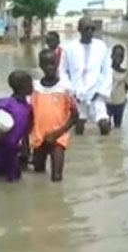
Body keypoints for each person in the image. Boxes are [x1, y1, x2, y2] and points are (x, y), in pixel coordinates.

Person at [59, 16, 112, 135]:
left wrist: (100, 92)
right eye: (86, 29)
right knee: (79, 125)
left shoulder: (101, 46)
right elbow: (63, 72)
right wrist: (71, 92)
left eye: (92, 29)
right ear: (79, 29)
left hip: (96, 92)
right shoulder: (69, 48)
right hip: (77, 93)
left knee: (104, 124)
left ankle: (106, 151)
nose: (90, 32)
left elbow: (107, 71)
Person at [31, 49, 77, 182]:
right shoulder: (35, 88)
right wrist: (25, 143)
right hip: (38, 138)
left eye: (52, 63)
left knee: (56, 177)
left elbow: (74, 117)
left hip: (58, 138)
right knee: (38, 174)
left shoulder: (65, 88)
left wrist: (56, 134)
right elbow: (30, 114)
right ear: (40, 65)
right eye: (46, 64)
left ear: (57, 63)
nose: (49, 67)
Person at [0, 71, 33, 182]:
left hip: (13, 151)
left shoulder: (27, 107)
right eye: (30, 84)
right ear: (23, 86)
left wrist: (25, 147)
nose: (32, 86)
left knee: (15, 179)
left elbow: (25, 129)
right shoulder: (7, 102)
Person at [106, 44, 128, 128]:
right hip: (107, 103)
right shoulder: (106, 70)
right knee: (106, 126)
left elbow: (127, 86)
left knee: (118, 126)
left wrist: (122, 95)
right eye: (116, 55)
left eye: (121, 56)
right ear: (111, 56)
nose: (118, 58)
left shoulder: (126, 73)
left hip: (119, 104)